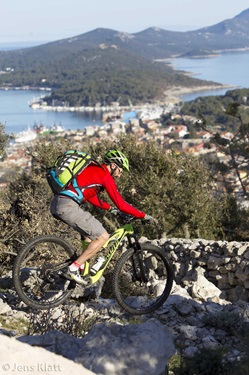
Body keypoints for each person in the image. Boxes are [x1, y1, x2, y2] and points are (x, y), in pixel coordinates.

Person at [50, 149, 154, 285]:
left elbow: (93, 198)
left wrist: (111, 209)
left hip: (58, 203)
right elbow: (121, 203)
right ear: (113, 165)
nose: (120, 175)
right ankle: (73, 268)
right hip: (68, 205)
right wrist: (143, 215)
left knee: (89, 235)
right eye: (120, 170)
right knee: (102, 237)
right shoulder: (105, 175)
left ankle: (82, 268)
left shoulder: (93, 171)